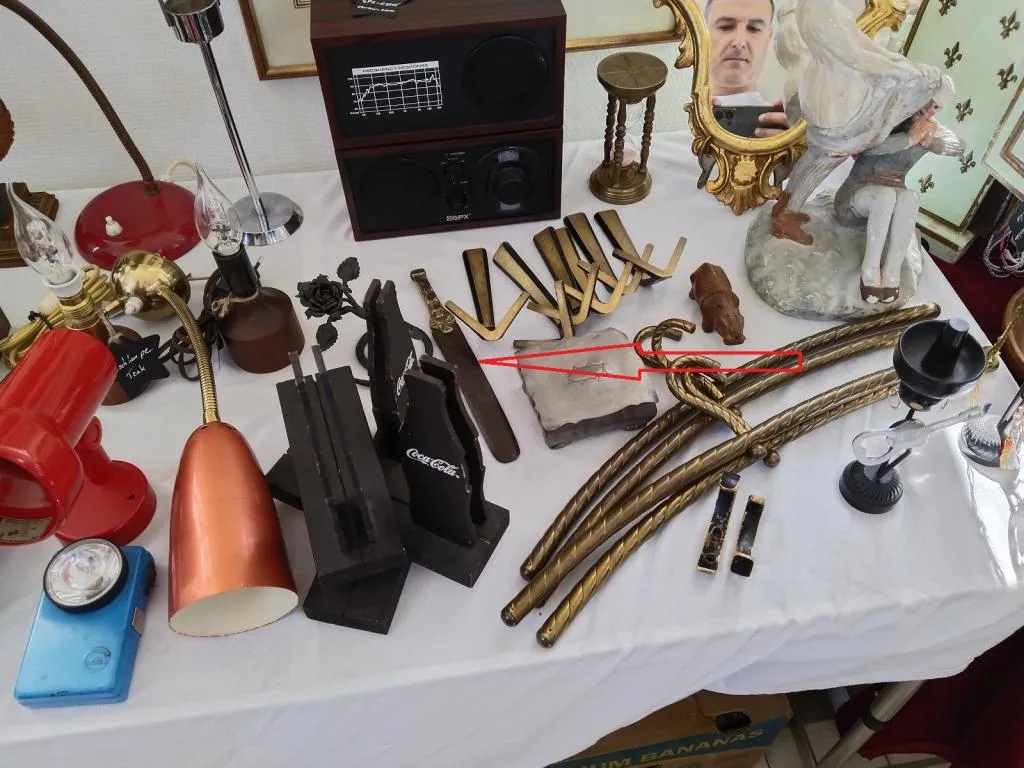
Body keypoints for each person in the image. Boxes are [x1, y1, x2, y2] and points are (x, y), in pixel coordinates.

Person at [832, 83, 962, 303]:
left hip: (893, 197)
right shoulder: (889, 117)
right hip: (858, 193)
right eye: (928, 102)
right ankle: (870, 270)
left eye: (936, 107)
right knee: (885, 196)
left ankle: (891, 271)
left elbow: (958, 146)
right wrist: (909, 139)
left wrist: (932, 141)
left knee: (911, 197)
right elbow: (867, 146)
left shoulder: (929, 127)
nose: (929, 110)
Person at [706, 0, 789, 137]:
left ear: (768, 38)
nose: (739, 42)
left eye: (754, 29)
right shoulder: (662, 127)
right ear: (701, 32)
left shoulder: (787, 131)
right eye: (726, 27)